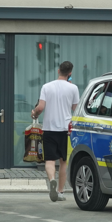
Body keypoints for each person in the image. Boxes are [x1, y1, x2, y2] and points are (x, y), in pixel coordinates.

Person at [31, 61, 79, 202]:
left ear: (58, 71)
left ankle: (52, 179)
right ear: (70, 73)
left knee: (49, 160)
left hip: (49, 129)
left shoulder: (47, 87)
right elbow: (76, 109)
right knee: (63, 162)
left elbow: (40, 108)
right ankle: (61, 192)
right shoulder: (73, 88)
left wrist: (34, 114)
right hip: (66, 130)